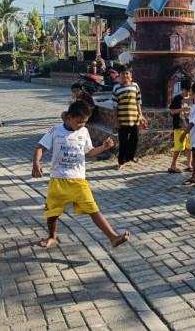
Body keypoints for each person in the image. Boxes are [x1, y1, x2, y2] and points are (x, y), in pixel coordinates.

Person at [32, 100, 130, 249]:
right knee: (52, 212)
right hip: (58, 180)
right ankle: (52, 236)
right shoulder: (55, 130)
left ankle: (113, 237)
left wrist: (103, 147)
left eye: (85, 122)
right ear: (69, 118)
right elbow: (41, 148)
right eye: (79, 122)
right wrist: (36, 163)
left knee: (93, 208)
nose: (82, 125)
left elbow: (89, 152)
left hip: (78, 181)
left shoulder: (84, 132)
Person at [111, 67, 145, 169]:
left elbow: (138, 102)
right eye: (122, 74)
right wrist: (116, 120)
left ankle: (131, 156)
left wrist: (141, 115)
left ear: (130, 75)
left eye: (127, 73)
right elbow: (115, 105)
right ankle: (121, 162)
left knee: (135, 140)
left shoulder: (135, 86)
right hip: (122, 120)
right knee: (123, 141)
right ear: (119, 75)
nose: (125, 76)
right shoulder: (116, 88)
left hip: (134, 119)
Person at [168, 79, 193, 173]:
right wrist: (182, 109)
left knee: (190, 146)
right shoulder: (177, 98)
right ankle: (173, 165)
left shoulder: (191, 99)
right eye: (186, 91)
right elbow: (172, 111)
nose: (187, 93)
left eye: (189, 91)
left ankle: (189, 165)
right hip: (179, 125)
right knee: (179, 147)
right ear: (182, 89)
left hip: (189, 126)